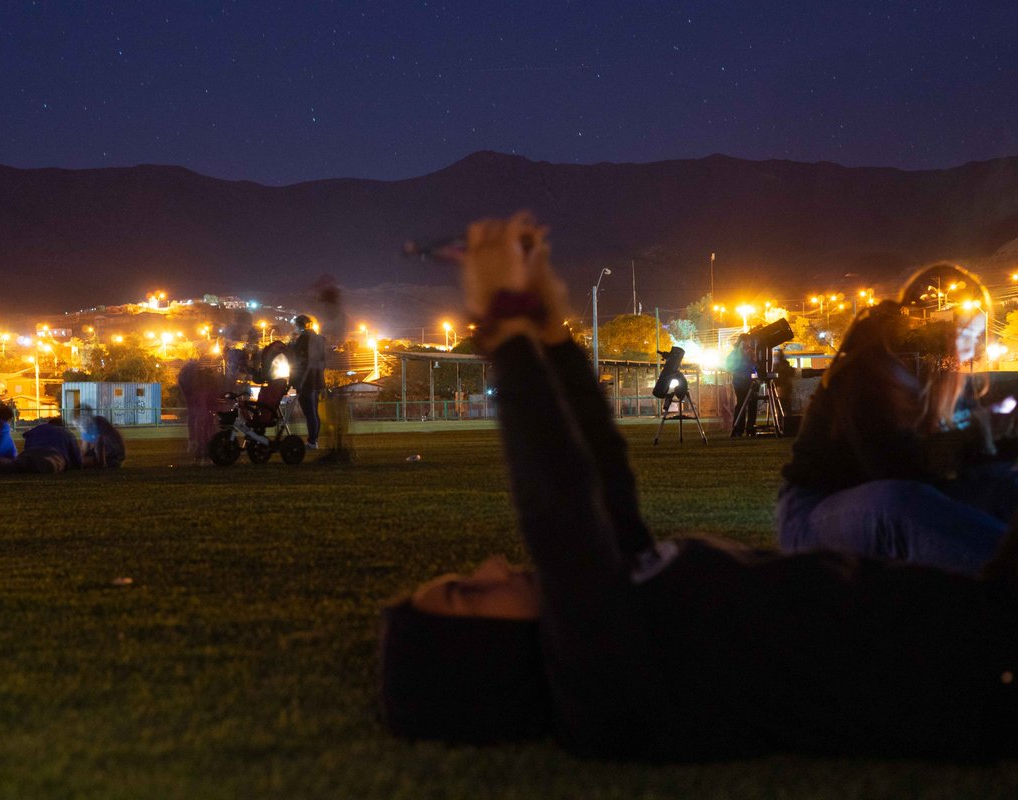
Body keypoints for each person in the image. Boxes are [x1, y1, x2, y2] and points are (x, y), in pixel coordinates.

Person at [379, 213, 1018, 760]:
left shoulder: (620, 616)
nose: (490, 566)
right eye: (467, 594)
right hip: (974, 664)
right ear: (478, 666)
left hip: (960, 626)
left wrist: (550, 334)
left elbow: (600, 478)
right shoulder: (599, 695)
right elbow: (561, 509)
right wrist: (507, 326)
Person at [776, 263, 1018, 574]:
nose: (973, 347)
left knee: (1003, 482)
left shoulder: (936, 380)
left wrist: (999, 438)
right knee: (901, 503)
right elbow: (891, 467)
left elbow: (966, 461)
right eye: (966, 333)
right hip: (815, 511)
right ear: (938, 325)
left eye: (977, 335)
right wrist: (968, 438)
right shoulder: (866, 370)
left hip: (895, 488)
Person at [290, 314, 326, 450]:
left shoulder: (303, 340)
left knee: (309, 412)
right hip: (316, 381)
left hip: (306, 381)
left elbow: (297, 357)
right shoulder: (318, 339)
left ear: (301, 325)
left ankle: (312, 442)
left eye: (296, 326)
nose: (295, 329)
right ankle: (313, 440)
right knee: (314, 412)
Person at [2, 417, 82, 474]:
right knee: (53, 463)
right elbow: (75, 455)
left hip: (30, 452)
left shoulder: (38, 428)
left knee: (21, 463)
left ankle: (7, 465)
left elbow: (27, 438)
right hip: (53, 454)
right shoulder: (66, 432)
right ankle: (47, 464)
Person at [724, 333, 757, 436]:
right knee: (741, 403)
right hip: (740, 382)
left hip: (750, 381)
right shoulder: (734, 353)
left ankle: (750, 427)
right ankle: (738, 428)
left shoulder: (750, 352)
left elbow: (755, 364)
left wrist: (751, 355)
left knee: (752, 404)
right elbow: (729, 366)